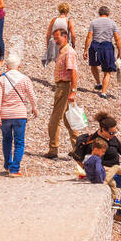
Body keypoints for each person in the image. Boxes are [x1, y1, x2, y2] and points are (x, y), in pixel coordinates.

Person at [75, 112, 121, 227]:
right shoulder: (95, 142)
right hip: (107, 172)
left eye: (115, 132)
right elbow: (92, 163)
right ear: (103, 129)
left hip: (118, 168)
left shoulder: (111, 137)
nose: (113, 135)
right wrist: (113, 169)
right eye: (111, 132)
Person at [0, 55, 37, 176]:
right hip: (19, 114)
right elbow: (32, 95)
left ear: (7, 66)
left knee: (6, 140)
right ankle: (14, 169)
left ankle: (8, 164)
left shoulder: (2, 79)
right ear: (19, 66)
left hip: (5, 114)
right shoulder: (25, 79)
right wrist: (34, 108)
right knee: (19, 142)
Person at [43, 27, 78, 159]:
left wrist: (73, 91)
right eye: (54, 38)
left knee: (55, 119)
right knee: (69, 118)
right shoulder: (62, 51)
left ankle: (53, 149)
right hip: (63, 86)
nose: (55, 40)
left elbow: (73, 72)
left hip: (65, 87)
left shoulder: (68, 52)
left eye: (57, 37)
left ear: (65, 36)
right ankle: (77, 148)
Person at [85, 5, 121, 93]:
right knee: (107, 71)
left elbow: (89, 36)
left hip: (95, 45)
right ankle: (103, 93)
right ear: (108, 14)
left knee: (93, 64)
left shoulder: (94, 22)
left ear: (99, 13)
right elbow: (117, 38)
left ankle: (98, 83)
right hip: (107, 46)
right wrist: (120, 51)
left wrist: (85, 50)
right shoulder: (112, 23)